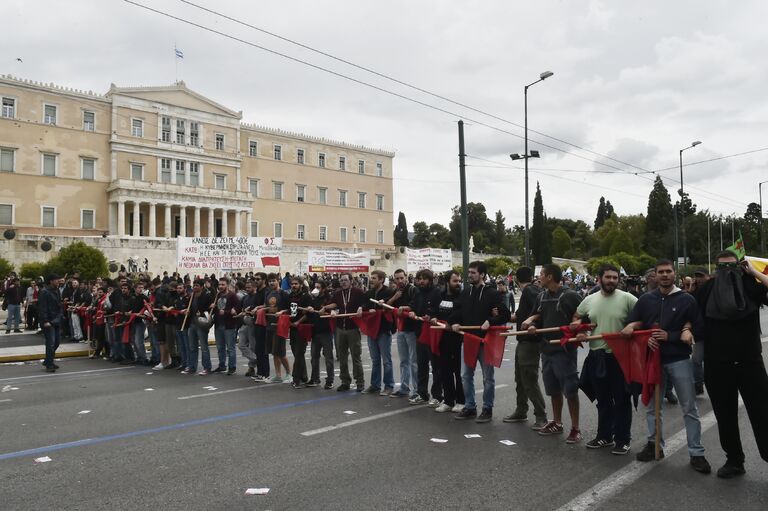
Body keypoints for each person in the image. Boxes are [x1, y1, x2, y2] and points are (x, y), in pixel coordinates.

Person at [622, 259, 711, 474]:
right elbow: (636, 322)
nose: (664, 275)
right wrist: (632, 329)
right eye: (660, 272)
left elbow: (699, 328)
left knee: (689, 407)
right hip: (652, 360)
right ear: (655, 275)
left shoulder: (686, 300)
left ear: (675, 274)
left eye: (668, 271)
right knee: (653, 407)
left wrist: (672, 335)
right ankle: (655, 446)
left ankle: (696, 452)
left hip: (678, 359)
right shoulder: (645, 300)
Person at [695, 252, 768, 478]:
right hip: (717, 364)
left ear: (740, 266)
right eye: (722, 267)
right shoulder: (706, 289)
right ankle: (734, 460)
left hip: (750, 363)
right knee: (724, 415)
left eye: (732, 266)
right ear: (716, 268)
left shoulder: (750, 285)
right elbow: (690, 313)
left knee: (763, 414)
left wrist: (754, 272)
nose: (727, 271)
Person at [571, 264, 637, 455]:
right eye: (608, 277)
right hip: (596, 356)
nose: (612, 281)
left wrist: (632, 325)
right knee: (603, 400)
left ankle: (623, 439)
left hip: (620, 357)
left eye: (615, 278)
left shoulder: (628, 298)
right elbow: (578, 316)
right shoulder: (589, 299)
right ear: (599, 279)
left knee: (622, 399)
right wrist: (580, 328)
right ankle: (604, 436)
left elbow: (642, 316)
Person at [522, 264, 582, 443]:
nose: (538, 278)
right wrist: (532, 325)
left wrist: (577, 323)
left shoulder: (570, 295)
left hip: (564, 351)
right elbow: (537, 317)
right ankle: (557, 422)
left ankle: (575, 428)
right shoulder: (541, 296)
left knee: (570, 390)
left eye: (541, 274)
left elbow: (584, 315)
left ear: (549, 277)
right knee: (553, 390)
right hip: (546, 349)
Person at [450, 260, 510, 423]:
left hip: (485, 341)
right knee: (465, 375)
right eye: (468, 272)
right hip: (468, 339)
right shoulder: (465, 293)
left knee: (487, 377)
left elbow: (504, 314)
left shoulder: (492, 293)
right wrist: (453, 323)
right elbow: (457, 311)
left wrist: (490, 321)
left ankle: (487, 408)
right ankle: (470, 406)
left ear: (482, 274)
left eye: (473, 273)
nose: (469, 275)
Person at [504, 266, 547, 430]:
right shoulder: (529, 292)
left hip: (530, 342)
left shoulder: (530, 291)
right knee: (520, 379)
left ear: (516, 279)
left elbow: (540, 310)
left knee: (529, 379)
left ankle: (541, 415)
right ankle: (521, 410)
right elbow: (520, 315)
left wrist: (533, 322)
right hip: (523, 341)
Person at [326, 273, 366, 392]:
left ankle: (360, 381)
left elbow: (366, 302)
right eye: (341, 280)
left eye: (345, 280)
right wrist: (332, 310)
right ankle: (345, 381)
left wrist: (361, 307)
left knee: (356, 356)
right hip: (340, 329)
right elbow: (334, 303)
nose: (343, 282)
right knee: (342, 357)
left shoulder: (358, 292)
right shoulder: (337, 293)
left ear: (351, 281)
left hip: (353, 328)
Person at [409, 269, 443, 406]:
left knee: (436, 366)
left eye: (424, 278)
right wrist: (411, 312)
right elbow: (413, 306)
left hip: (432, 333)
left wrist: (431, 315)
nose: (421, 281)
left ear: (430, 280)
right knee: (422, 365)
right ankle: (422, 394)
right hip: (420, 333)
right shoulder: (417, 292)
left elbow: (439, 309)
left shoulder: (437, 292)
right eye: (419, 278)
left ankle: (437, 396)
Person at [432, 270, 465, 413]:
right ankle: (448, 400)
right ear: (447, 282)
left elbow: (462, 312)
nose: (458, 284)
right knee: (444, 370)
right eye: (455, 281)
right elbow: (433, 309)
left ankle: (461, 401)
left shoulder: (462, 296)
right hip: (442, 338)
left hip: (457, 339)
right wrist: (433, 316)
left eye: (459, 281)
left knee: (458, 372)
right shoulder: (440, 295)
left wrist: (452, 322)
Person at [363, 270, 395, 395]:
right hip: (372, 330)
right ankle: (375, 385)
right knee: (375, 360)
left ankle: (389, 385)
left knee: (386, 360)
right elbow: (365, 304)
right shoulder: (369, 293)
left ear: (381, 279)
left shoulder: (388, 292)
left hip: (383, 329)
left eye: (374, 278)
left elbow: (391, 306)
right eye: (372, 277)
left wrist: (384, 303)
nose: (372, 280)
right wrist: (365, 308)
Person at [388, 269, 418, 398]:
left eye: (401, 278)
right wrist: (395, 298)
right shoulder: (396, 291)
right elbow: (387, 306)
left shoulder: (413, 290)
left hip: (411, 330)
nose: (400, 281)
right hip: (401, 329)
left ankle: (416, 391)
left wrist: (404, 308)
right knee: (404, 361)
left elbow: (416, 305)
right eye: (397, 278)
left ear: (406, 277)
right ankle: (404, 388)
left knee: (413, 361)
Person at [306, 280, 335, 389]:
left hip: (326, 332)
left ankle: (330, 380)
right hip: (315, 331)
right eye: (315, 287)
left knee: (328, 357)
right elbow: (311, 313)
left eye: (318, 287)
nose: (315, 289)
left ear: (323, 288)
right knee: (314, 357)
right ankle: (315, 378)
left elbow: (334, 310)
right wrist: (310, 310)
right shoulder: (314, 299)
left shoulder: (329, 299)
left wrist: (328, 311)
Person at [265, 273, 291, 383]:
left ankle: (289, 374)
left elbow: (291, 309)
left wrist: (282, 311)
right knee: (274, 352)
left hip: (280, 325)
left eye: (273, 280)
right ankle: (278, 375)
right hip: (269, 325)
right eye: (270, 281)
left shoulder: (284, 294)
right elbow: (267, 307)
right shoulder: (268, 293)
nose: (271, 283)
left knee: (281, 352)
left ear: (278, 281)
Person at [212, 277, 241, 375]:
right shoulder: (217, 295)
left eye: (222, 284)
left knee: (230, 348)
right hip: (218, 325)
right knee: (220, 348)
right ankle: (221, 366)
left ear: (227, 285)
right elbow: (216, 309)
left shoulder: (232, 296)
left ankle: (232, 367)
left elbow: (238, 309)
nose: (220, 286)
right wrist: (214, 307)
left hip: (229, 326)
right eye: (219, 284)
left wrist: (226, 312)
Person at [287, 276, 311, 388]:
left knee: (299, 353)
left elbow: (308, 314)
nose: (294, 286)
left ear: (301, 285)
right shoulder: (290, 296)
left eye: (296, 284)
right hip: (292, 328)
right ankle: (304, 376)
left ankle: (296, 379)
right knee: (296, 353)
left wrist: (298, 322)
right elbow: (288, 310)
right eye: (292, 284)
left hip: (302, 328)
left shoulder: (306, 296)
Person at [690, 267, 710, 395]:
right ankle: (698, 384)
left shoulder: (714, 289)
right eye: (696, 276)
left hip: (714, 333)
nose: (699, 278)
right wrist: (691, 290)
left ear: (708, 276)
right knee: (696, 360)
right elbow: (688, 307)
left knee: (711, 362)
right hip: (699, 333)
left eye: (701, 276)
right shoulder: (694, 292)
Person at [38, 274, 64, 372]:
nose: (58, 281)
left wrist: (60, 316)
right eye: (56, 280)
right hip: (48, 321)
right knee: (51, 343)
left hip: (56, 320)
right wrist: (45, 321)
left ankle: (48, 360)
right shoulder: (44, 292)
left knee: (57, 342)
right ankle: (50, 364)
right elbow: (42, 308)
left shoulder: (57, 290)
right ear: (51, 281)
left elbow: (59, 305)